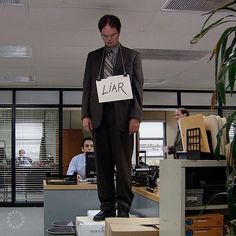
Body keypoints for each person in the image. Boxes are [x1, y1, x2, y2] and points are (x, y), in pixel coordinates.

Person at [82, 14, 143, 221]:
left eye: (112, 35)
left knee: (123, 165)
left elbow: (137, 88)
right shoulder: (93, 57)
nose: (109, 39)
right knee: (103, 165)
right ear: (101, 34)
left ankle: (124, 207)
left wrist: (135, 116)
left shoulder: (131, 56)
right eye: (105, 35)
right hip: (99, 117)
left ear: (119, 32)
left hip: (123, 118)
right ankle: (107, 206)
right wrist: (85, 114)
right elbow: (87, 88)